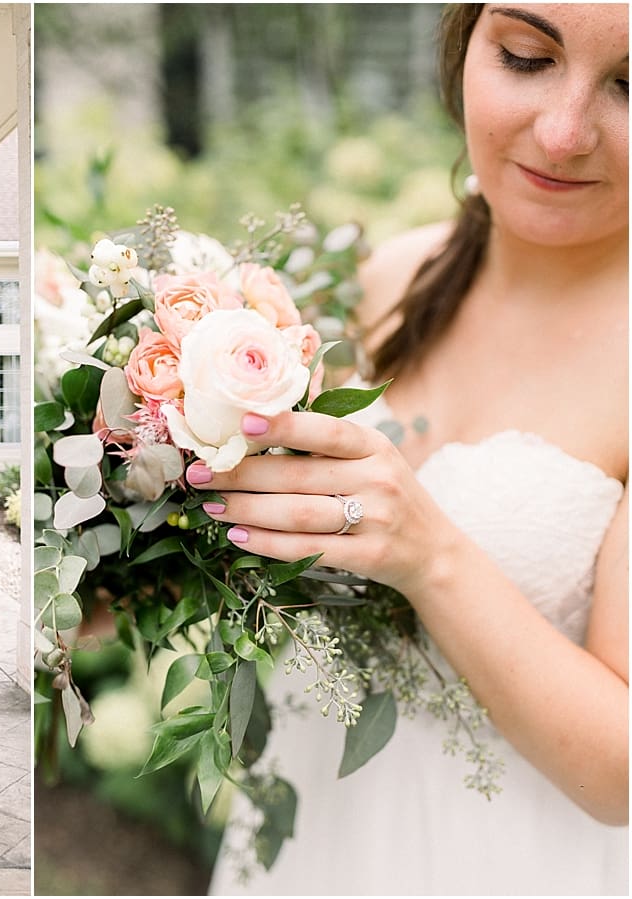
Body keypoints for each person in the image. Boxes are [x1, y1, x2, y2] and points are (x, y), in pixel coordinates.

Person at [205, 4, 627, 894]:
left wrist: (433, 559)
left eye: (631, 86)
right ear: (463, 44)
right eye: (525, 58)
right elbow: (308, 554)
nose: (563, 133)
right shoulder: (396, 274)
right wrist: (142, 555)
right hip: (318, 819)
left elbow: (621, 775)